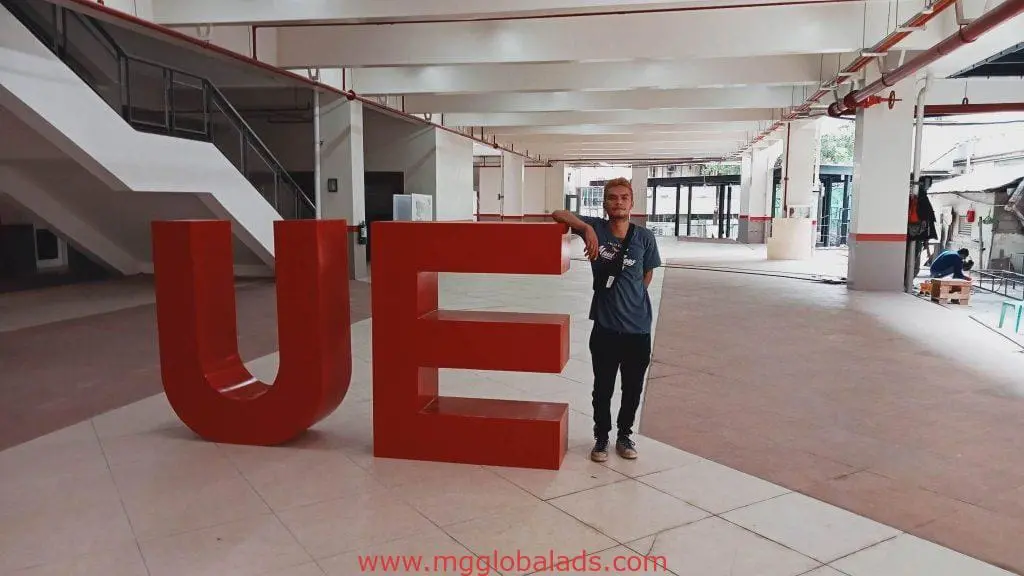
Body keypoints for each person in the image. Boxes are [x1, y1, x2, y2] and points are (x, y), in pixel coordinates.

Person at [551, 177, 661, 462]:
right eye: (612, 197)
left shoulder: (644, 238)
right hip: (605, 328)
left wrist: (631, 298)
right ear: (605, 202)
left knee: (633, 388)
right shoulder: (597, 227)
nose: (618, 202)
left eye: (624, 197)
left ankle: (625, 435)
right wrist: (585, 228)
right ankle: (601, 437)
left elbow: (646, 275)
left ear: (632, 202)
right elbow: (557, 214)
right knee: (602, 388)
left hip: (638, 329)